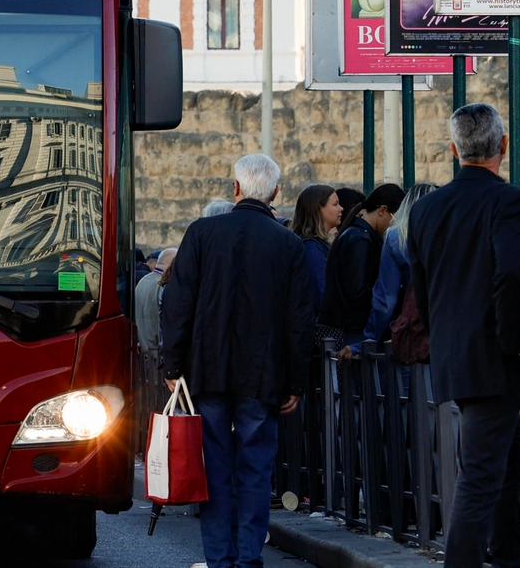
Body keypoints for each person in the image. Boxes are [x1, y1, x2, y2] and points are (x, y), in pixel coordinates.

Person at [407, 104, 520, 568]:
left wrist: (447, 337)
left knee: (510, 455)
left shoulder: (427, 209)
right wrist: (512, 339)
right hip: (493, 356)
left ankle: (507, 553)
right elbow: (514, 275)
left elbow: (423, 286)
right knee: (479, 477)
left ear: (454, 150)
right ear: (502, 146)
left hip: (455, 354)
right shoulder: (510, 201)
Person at [161, 153, 313, 568]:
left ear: (236, 189)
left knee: (214, 470)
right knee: (254, 471)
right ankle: (248, 558)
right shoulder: (288, 244)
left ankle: (219, 559)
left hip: (207, 373)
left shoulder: (202, 233)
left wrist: (171, 365)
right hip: (262, 377)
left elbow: (178, 305)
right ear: (275, 193)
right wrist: (296, 382)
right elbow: (298, 321)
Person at [321, 184, 406, 344]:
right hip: (355, 328)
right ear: (382, 211)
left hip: (353, 326)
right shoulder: (361, 240)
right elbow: (358, 291)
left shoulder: (358, 235)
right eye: (395, 218)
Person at [361, 183, 436, 347]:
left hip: (412, 333)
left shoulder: (396, 237)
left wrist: (368, 339)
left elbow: (385, 300)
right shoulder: (454, 236)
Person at [289, 184, 342, 312]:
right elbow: (322, 293)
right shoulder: (311, 247)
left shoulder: (318, 244)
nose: (341, 209)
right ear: (319, 209)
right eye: (335, 204)